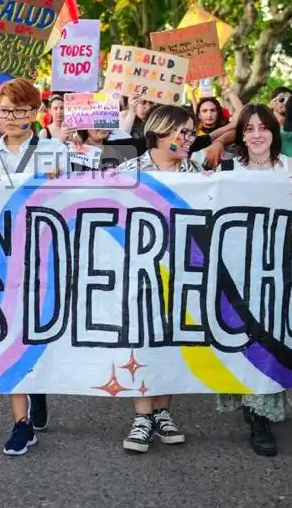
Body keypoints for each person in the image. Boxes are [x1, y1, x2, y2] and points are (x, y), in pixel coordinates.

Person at [0, 78, 70, 456]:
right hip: (3, 256)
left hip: (44, 255)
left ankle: (38, 387)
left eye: (18, 110)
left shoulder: (54, 150)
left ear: (33, 112)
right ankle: (21, 422)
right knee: (11, 336)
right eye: (4, 110)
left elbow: (71, 200)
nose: (10, 117)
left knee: (38, 333)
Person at [212, 104, 292, 457]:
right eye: (248, 128)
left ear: (273, 131)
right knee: (245, 338)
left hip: (280, 268)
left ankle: (262, 410)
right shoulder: (228, 169)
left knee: (272, 338)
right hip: (237, 268)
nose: (256, 134)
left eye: (262, 127)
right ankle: (253, 412)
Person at [115, 106, 194, 454]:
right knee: (141, 341)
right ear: (162, 132)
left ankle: (163, 411)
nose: (190, 140)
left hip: (181, 273)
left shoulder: (198, 172)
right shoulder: (129, 171)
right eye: (185, 133)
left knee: (172, 341)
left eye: (192, 133)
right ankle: (142, 416)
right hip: (138, 272)